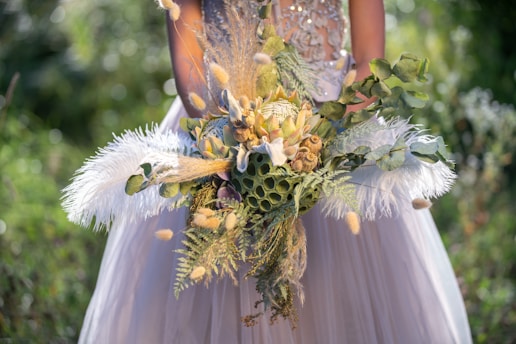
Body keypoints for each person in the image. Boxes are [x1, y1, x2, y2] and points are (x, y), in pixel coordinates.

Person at [78, 1, 472, 343]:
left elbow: (370, 57)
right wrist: (241, 142)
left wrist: (316, 141)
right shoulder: (225, 125)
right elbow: (190, 62)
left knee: (337, 296)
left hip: (332, 128)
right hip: (222, 121)